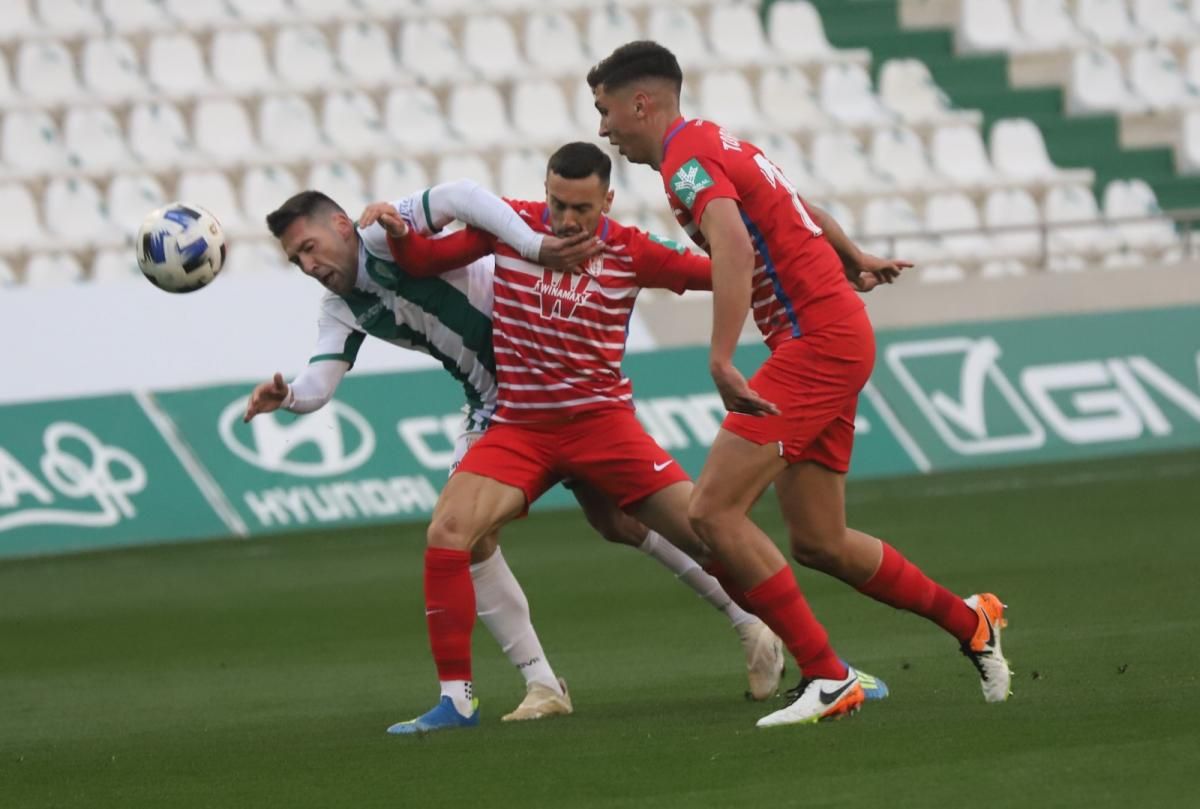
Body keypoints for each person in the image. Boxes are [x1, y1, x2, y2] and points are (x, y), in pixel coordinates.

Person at [378, 142, 886, 735]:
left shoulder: (629, 250)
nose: (566, 220)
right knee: (448, 532)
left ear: (608, 201)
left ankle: (830, 666)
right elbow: (421, 259)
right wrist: (393, 231)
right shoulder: (511, 227)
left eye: (581, 208)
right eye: (557, 204)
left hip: (604, 430)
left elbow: (727, 267)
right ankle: (457, 701)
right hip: (522, 429)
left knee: (714, 533)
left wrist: (837, 259)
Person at [243, 181, 788, 724]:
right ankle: (539, 683)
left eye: (309, 247)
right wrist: (288, 397)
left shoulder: (382, 231)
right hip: (496, 407)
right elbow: (318, 383)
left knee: (631, 522)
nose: (307, 264)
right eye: (295, 260)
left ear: (340, 226)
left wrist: (530, 245)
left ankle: (760, 624)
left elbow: (460, 195)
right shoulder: (340, 309)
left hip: (556, 384)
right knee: (467, 535)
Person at [586, 40, 1012, 727]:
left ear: (643, 102)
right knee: (819, 539)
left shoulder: (686, 161)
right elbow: (794, 202)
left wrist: (722, 356)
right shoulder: (719, 142)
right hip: (829, 335)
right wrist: (853, 256)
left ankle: (829, 673)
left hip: (817, 341)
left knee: (711, 511)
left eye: (606, 110)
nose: (603, 128)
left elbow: (734, 242)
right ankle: (970, 621)